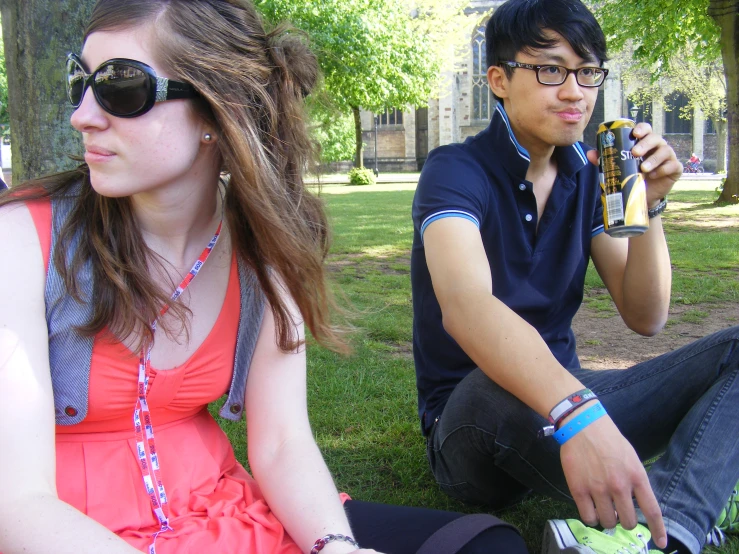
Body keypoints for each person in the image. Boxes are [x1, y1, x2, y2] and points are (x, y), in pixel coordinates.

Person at [0, 1, 531, 553]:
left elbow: (280, 443)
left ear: (217, 109)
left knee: (488, 546)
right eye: (80, 81)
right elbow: (17, 504)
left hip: (217, 511)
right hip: (63, 530)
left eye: (120, 86)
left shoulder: (257, 254)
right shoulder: (20, 241)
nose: (82, 114)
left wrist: (335, 547)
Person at [410, 1, 739, 553]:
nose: (574, 92)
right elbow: (466, 305)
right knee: (494, 378)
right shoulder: (454, 172)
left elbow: (646, 316)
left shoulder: (588, 177)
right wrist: (578, 412)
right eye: (550, 70)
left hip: (571, 407)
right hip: (473, 421)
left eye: (587, 73)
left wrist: (650, 205)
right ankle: (699, 488)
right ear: (498, 80)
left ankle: (670, 530)